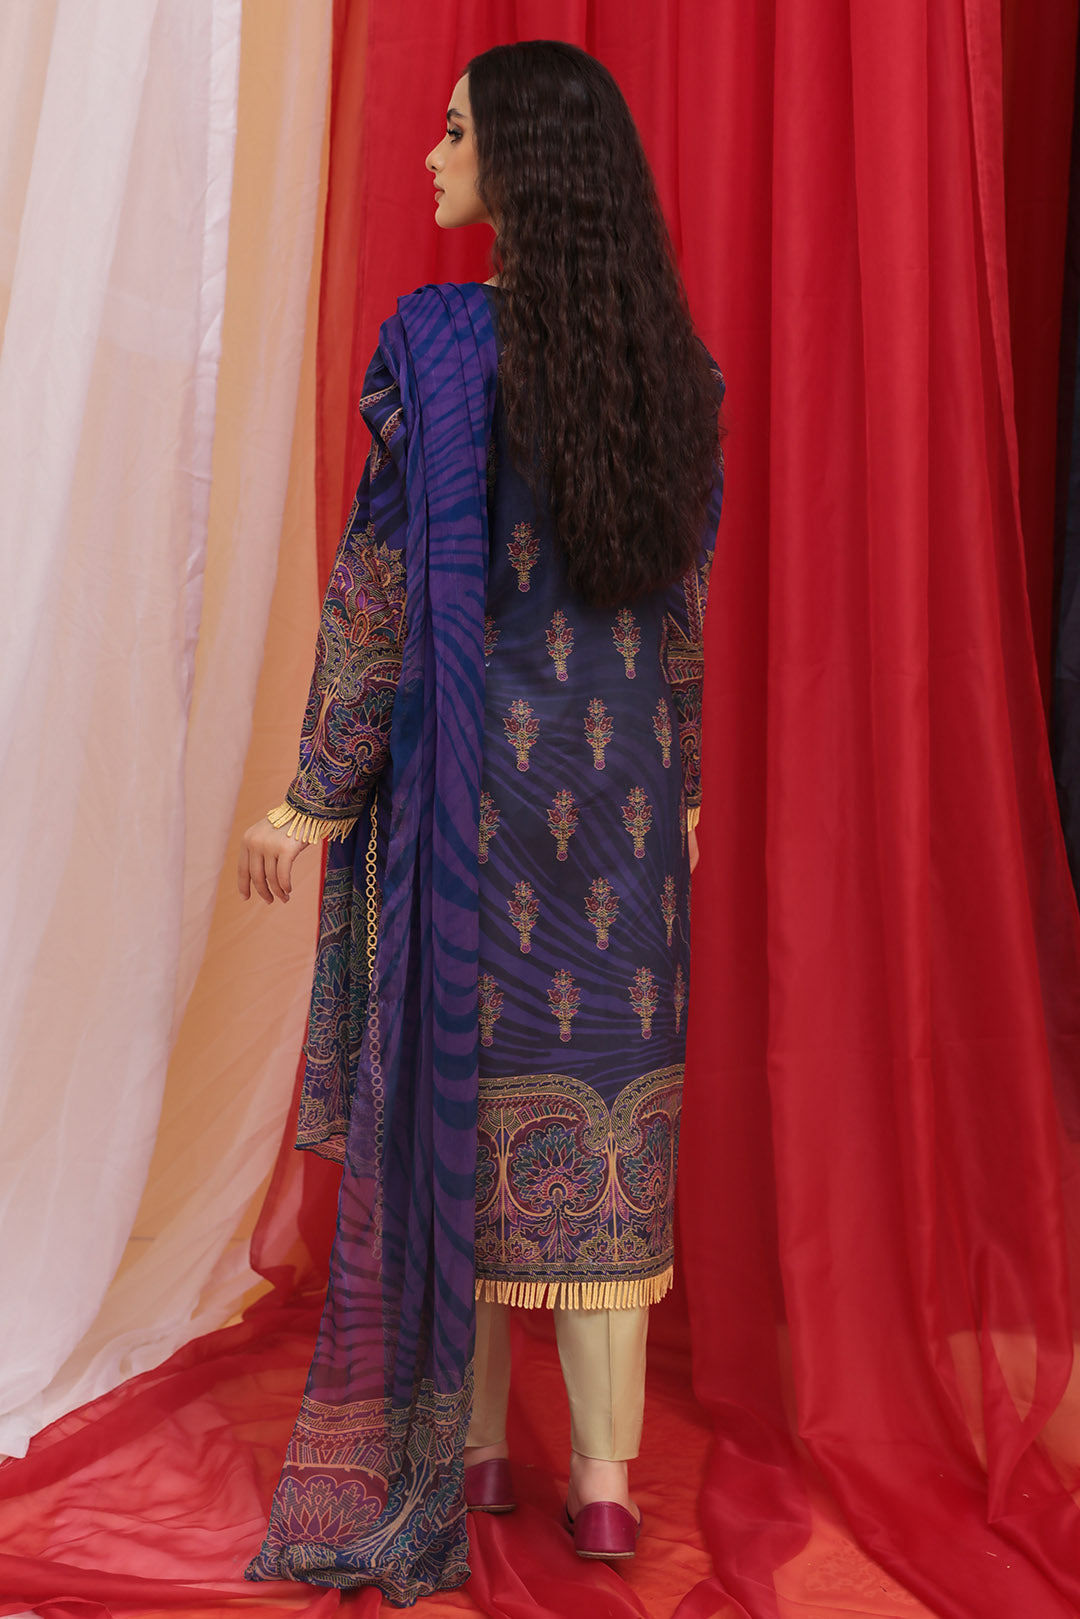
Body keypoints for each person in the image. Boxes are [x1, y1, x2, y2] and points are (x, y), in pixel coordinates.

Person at [238, 39, 725, 1605]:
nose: (431, 157)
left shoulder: (443, 348)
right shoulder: (674, 371)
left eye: (453, 134)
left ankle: (469, 1454)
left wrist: (314, 791)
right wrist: (686, 788)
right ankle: (603, 1489)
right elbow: (680, 619)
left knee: (464, 1109)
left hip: (481, 814)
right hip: (631, 821)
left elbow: (379, 591)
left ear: (517, 161)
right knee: (608, 1126)